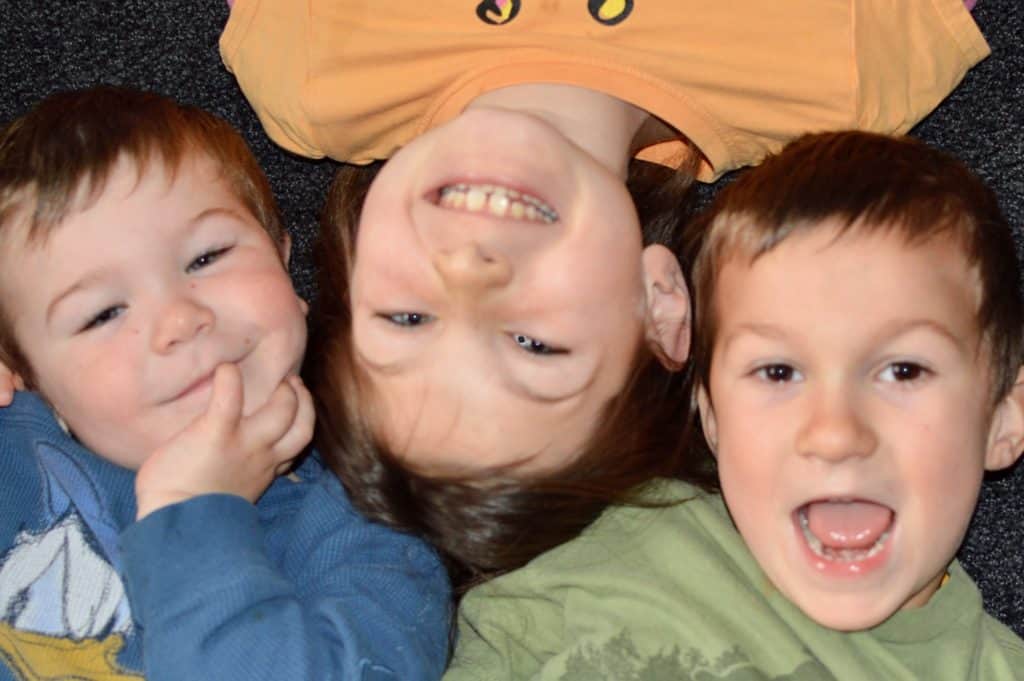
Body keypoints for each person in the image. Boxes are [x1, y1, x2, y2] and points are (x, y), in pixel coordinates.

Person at [218, 0, 993, 584]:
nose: (473, 270)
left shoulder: (313, 64)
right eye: (533, 343)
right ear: (660, 304)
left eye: (408, 316)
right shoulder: (842, 74)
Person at [442, 130, 1024, 679]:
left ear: (1003, 416)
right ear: (713, 415)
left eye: (903, 370)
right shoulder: (606, 560)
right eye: (777, 371)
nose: (835, 432)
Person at [0, 86, 450, 681]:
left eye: (207, 257)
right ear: (24, 371)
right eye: (103, 313)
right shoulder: (15, 448)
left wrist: (198, 513)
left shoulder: (370, 515)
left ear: (282, 258)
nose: (180, 320)